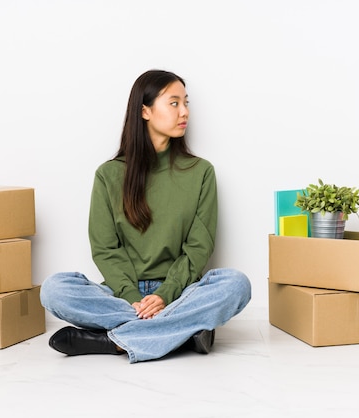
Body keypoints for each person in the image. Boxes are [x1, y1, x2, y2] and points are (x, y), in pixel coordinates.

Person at [40, 69, 251, 364]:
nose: (185, 112)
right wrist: (131, 297)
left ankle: (112, 342)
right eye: (174, 103)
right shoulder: (109, 174)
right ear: (145, 111)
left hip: (180, 291)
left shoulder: (201, 172)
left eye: (185, 103)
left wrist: (166, 294)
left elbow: (198, 247)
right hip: (122, 293)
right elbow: (105, 248)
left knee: (236, 284)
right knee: (53, 290)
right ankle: (181, 332)